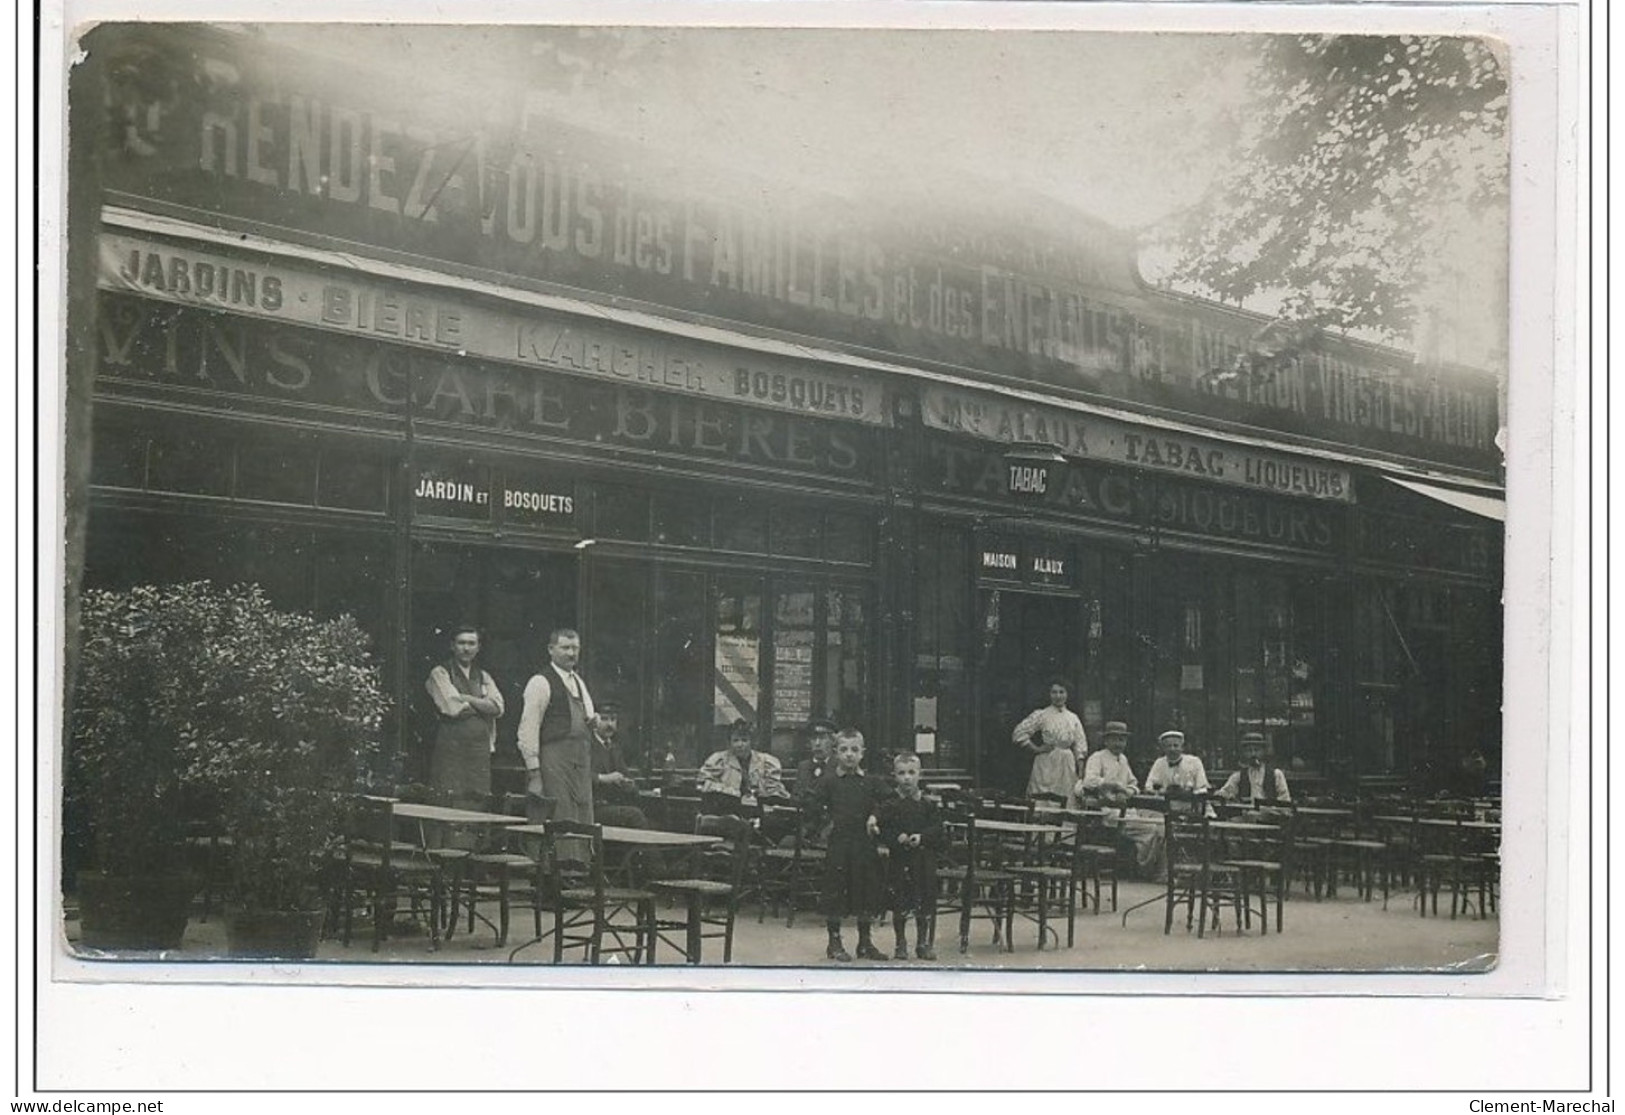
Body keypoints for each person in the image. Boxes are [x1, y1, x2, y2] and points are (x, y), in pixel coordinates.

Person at [804, 729, 890, 962]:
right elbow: (813, 805)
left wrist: (875, 816)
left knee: (866, 891)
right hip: (839, 844)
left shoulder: (871, 782)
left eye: (854, 750)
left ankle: (865, 942)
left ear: (863, 753)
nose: (849, 755)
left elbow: (887, 802)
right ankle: (834, 942)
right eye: (844, 750)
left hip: (864, 844)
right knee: (836, 892)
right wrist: (823, 824)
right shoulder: (829, 781)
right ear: (836, 753)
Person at [516, 628, 597, 825]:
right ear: (551, 649)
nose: (571, 653)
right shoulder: (540, 682)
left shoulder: (578, 681)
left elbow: (587, 717)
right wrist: (534, 774)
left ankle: (579, 857)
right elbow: (528, 730)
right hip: (554, 763)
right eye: (565, 648)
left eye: (575, 648)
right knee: (559, 815)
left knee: (581, 816)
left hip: (579, 762)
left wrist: (593, 721)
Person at [424, 625, 505, 801]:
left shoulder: (483, 676)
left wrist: (468, 698)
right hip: (452, 745)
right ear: (452, 646)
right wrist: (484, 705)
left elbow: (498, 708)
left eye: (471, 643)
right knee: (450, 795)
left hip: (480, 747)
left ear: (478, 647)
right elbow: (453, 707)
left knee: (478, 796)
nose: (466, 648)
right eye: (461, 643)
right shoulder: (440, 672)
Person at [1075, 721, 1163, 878]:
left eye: (1122, 740)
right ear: (1106, 740)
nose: (1118, 744)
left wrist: (1128, 792)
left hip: (1126, 809)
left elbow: (1134, 783)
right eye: (1114, 739)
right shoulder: (1098, 757)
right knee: (1152, 829)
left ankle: (1155, 868)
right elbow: (1089, 781)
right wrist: (1114, 786)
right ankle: (1144, 868)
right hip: (1106, 812)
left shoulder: (1123, 759)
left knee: (1162, 822)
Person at [877, 752, 942, 961]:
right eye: (902, 773)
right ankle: (900, 943)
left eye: (911, 773)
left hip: (922, 860)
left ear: (919, 775)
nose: (907, 778)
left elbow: (937, 829)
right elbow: (884, 828)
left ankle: (922, 943)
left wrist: (921, 837)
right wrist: (897, 837)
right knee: (900, 902)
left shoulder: (928, 804)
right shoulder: (890, 804)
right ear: (894, 775)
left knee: (924, 902)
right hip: (900, 859)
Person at [696, 719, 790, 818]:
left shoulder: (766, 761)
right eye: (735, 740)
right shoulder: (718, 760)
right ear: (730, 743)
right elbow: (703, 784)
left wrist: (761, 793)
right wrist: (732, 792)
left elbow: (773, 788)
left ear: (752, 742)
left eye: (744, 740)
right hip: (727, 810)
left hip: (758, 809)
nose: (740, 745)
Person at [1012, 681, 1088, 801]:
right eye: (1054, 692)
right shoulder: (1042, 714)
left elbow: (1080, 744)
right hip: (1047, 761)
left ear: (1067, 694)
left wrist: (1080, 771)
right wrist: (1037, 749)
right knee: (1045, 798)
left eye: (1061, 692)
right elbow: (1019, 733)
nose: (1058, 696)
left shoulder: (1073, 717)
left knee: (1066, 797)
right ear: (1049, 694)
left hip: (1066, 763)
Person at [589, 702, 649, 829]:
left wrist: (629, 784)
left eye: (613, 719)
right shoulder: (587, 745)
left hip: (613, 806)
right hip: (593, 808)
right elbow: (579, 774)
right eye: (604, 719)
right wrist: (604, 778)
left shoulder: (615, 748)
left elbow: (626, 775)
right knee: (635, 816)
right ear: (595, 721)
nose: (610, 724)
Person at [1217, 731, 1292, 805]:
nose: (1253, 754)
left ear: (1263, 751)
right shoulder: (1238, 776)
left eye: (1256, 750)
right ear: (1244, 753)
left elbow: (1284, 800)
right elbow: (1224, 793)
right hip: (1246, 814)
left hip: (1270, 815)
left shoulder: (1276, 774)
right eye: (1249, 751)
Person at [1145, 729, 1210, 813]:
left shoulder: (1194, 762)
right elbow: (1149, 787)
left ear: (1182, 747)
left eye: (1176, 745)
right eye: (1168, 746)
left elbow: (1202, 788)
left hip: (1192, 807)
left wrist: (1187, 793)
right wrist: (1163, 791)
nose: (1172, 749)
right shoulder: (1159, 763)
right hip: (1165, 807)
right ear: (1163, 749)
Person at [795, 716, 838, 792]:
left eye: (822, 738)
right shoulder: (803, 767)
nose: (817, 743)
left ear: (833, 741)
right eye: (814, 738)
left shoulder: (839, 766)